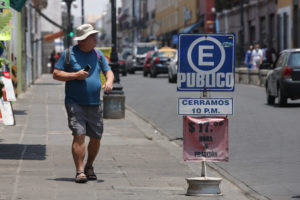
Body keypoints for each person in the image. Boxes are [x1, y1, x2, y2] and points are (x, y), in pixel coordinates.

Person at [53, 24, 114, 183]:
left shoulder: (98, 54)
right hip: (74, 102)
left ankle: (89, 166)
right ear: (83, 40)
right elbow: (56, 74)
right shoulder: (68, 54)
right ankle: (80, 171)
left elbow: (108, 71)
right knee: (78, 134)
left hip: (95, 102)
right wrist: (75, 75)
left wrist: (109, 81)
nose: (95, 38)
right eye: (92, 36)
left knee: (96, 138)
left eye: (95, 35)